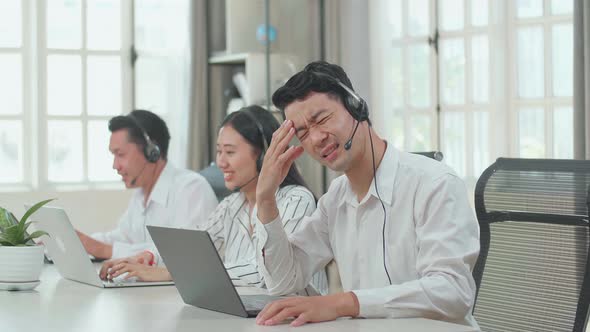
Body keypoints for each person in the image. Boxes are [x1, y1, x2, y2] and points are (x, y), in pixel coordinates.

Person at [252, 61, 480, 328]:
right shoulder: (336, 198)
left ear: (355, 106)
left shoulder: (435, 183)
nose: (315, 139)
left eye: (322, 119)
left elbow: (452, 291)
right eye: (302, 133)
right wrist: (266, 198)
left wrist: (343, 303)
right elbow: (283, 281)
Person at [100, 106, 328, 295]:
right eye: (219, 152)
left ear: (263, 156)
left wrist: (172, 272)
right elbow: (195, 245)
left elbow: (267, 272)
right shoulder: (232, 205)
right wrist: (149, 258)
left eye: (229, 152)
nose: (220, 162)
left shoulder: (297, 200)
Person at [76, 110, 218, 263]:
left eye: (121, 154)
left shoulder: (191, 189)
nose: (115, 165)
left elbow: (184, 254)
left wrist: (105, 250)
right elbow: (123, 237)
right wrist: (79, 242)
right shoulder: (140, 194)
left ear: (152, 151)